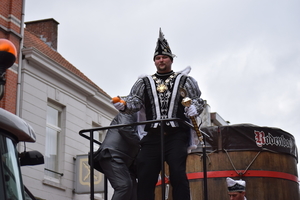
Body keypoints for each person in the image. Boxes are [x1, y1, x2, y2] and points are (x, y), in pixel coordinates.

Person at [112, 28, 204, 200]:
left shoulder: (184, 80)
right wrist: (123, 105)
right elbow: (135, 102)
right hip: (152, 136)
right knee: (145, 175)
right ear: (154, 61)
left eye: (164, 57)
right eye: (158, 58)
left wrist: (194, 108)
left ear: (171, 59)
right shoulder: (144, 82)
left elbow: (198, 101)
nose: (161, 60)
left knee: (177, 173)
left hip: (176, 135)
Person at [92, 112, 140, 200]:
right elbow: (124, 127)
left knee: (133, 192)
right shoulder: (129, 111)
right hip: (112, 154)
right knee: (124, 185)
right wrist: (141, 143)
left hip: (126, 161)